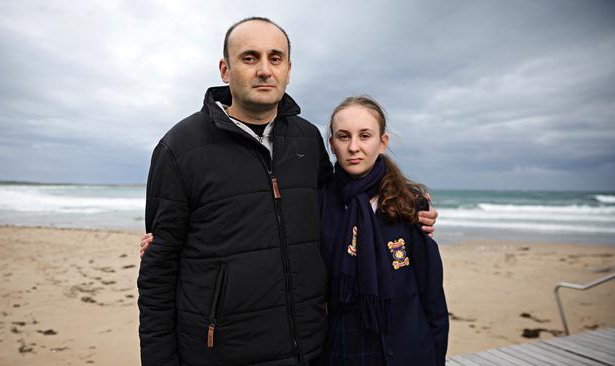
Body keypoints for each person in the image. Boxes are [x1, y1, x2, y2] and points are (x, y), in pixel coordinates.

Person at [138, 17, 438, 366]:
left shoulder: (307, 139)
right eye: (250, 58)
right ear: (224, 69)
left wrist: (409, 204)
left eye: (275, 58)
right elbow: (157, 276)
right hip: (220, 353)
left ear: (289, 70)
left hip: (308, 350)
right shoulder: (180, 149)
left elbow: (345, 197)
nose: (265, 69)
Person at [317, 96, 448, 365]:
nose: (354, 147)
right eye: (343, 137)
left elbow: (431, 293)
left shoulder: (410, 204)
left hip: (402, 348)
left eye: (365, 135)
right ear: (332, 144)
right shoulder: (318, 203)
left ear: (383, 142)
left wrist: (436, 356)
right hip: (340, 348)